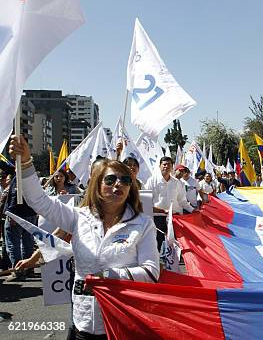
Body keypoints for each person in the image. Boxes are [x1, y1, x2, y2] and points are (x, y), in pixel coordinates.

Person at [9, 134, 159, 338]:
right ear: (97, 185)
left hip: (123, 322)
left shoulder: (143, 224)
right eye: (111, 179)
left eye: (125, 180)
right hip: (84, 322)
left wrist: (108, 277)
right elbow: (38, 201)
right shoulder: (78, 217)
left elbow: (151, 273)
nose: (118, 184)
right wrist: (26, 162)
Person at [144, 157, 194, 250]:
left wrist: (193, 210)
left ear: (172, 167)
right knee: (157, 244)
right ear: (160, 166)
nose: (166, 167)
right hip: (158, 218)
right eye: (164, 164)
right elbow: (146, 202)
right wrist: (162, 211)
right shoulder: (152, 181)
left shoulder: (177, 183)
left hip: (174, 218)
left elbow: (182, 201)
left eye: (169, 165)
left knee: (174, 246)